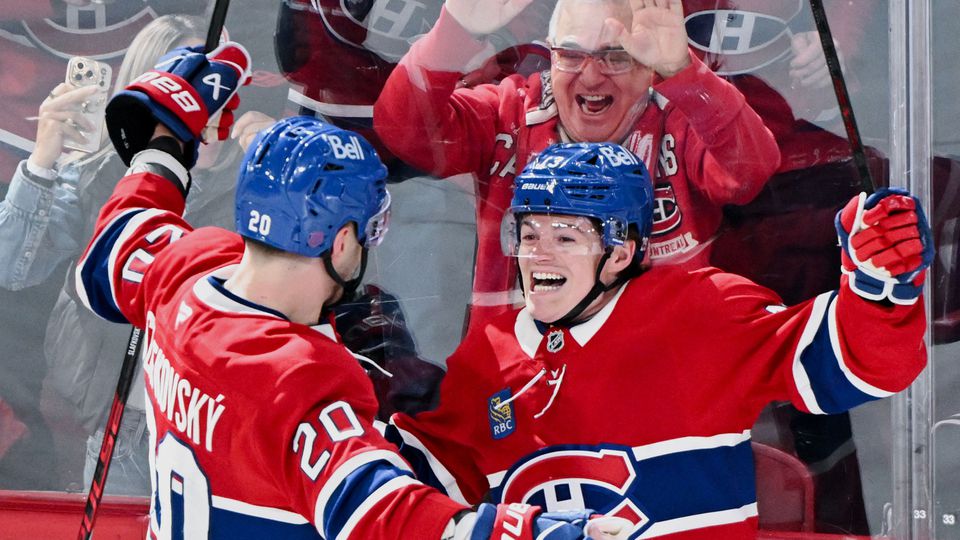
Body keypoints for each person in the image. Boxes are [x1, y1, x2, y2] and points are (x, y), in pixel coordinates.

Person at [74, 42, 629, 539]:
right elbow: (386, 518)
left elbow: (117, 244)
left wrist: (162, 144)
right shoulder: (295, 380)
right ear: (341, 242)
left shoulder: (186, 271)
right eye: (370, 231)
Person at [384, 141, 931, 538]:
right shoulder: (489, 355)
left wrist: (879, 288)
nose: (537, 254)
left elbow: (856, 367)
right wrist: (352, 403)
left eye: (565, 237)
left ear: (620, 253)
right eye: (528, 234)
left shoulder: (703, 313)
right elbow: (409, 487)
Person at [373, 0, 781, 333]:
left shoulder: (682, 116)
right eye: (570, 55)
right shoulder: (511, 113)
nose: (591, 77)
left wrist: (685, 74)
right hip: (523, 375)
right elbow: (402, 129)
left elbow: (749, 172)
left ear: (649, 64)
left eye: (615, 57)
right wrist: (454, 33)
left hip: (656, 369)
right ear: (550, 56)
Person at [0, 14, 259, 494]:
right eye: (182, 87)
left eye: (212, 85)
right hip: (113, 424)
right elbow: (11, 266)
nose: (200, 103)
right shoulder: (95, 174)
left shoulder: (262, 182)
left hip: (218, 430)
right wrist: (41, 162)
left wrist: (285, 167)